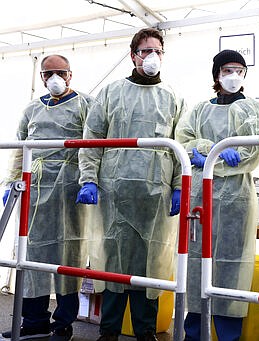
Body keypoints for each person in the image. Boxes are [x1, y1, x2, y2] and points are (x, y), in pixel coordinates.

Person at [76, 28, 186, 341]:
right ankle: (109, 331)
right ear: (133, 55)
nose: (152, 57)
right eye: (145, 51)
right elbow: (92, 138)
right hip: (114, 192)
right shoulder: (111, 93)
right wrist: (89, 179)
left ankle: (145, 332)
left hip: (155, 195)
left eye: (158, 52)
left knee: (150, 265)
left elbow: (181, 146)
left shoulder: (174, 97)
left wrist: (180, 186)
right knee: (113, 263)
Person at [1, 54, 94, 341]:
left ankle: (63, 322)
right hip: (36, 188)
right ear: (41, 77)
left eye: (60, 72)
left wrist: (90, 181)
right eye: (48, 73)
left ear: (70, 74)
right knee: (32, 254)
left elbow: (94, 144)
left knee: (69, 255)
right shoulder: (31, 109)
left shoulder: (85, 104)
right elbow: (20, 147)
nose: (54, 77)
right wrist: (12, 181)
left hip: (69, 189)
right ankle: (34, 320)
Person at [175, 49, 259, 341]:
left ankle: (228, 335)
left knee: (231, 268)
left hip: (236, 199)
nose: (233, 76)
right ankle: (193, 333)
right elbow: (183, 140)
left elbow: (250, 152)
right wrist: (211, 149)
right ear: (217, 74)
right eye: (228, 70)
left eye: (239, 70)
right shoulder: (201, 109)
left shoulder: (251, 108)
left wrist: (212, 155)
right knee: (197, 265)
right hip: (202, 196)